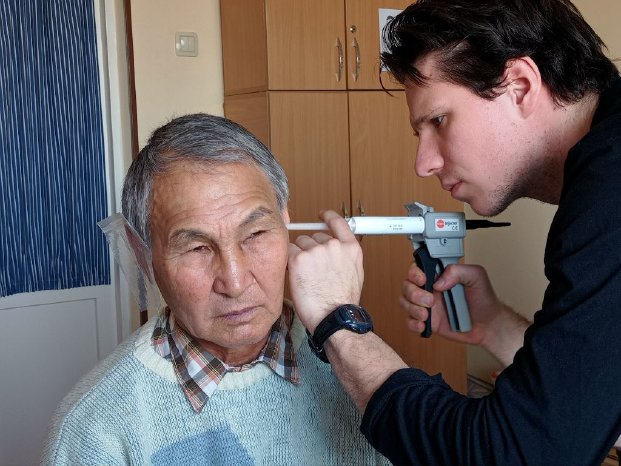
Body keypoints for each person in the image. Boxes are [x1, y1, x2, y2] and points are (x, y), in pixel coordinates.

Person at [286, 0, 621, 464]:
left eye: (438, 121)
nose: (423, 164)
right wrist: (494, 324)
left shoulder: (611, 189)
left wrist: (338, 323)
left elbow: (512, 455)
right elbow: (594, 402)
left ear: (520, 86)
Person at [41, 114, 389, 465]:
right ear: (141, 252)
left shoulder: (360, 370)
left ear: (285, 221)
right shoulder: (96, 430)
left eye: (255, 235)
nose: (235, 283)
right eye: (197, 248)